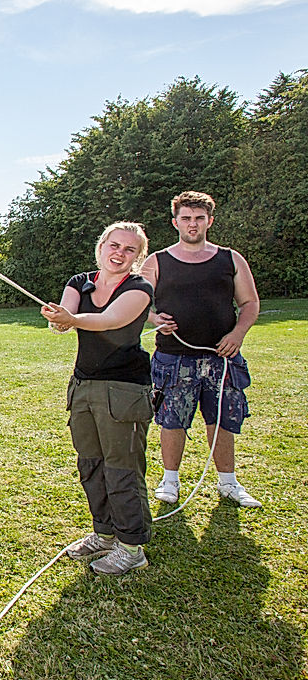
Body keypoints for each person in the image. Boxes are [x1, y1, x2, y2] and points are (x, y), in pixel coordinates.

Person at [41, 222, 154, 576]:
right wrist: (59, 321)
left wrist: (71, 319)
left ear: (138, 257)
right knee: (91, 463)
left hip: (124, 389)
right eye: (114, 245)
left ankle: (132, 546)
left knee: (122, 466)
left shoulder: (139, 288)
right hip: (83, 386)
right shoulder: (79, 282)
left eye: (129, 249)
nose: (119, 253)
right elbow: (66, 314)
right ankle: (104, 534)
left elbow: (107, 321)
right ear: (101, 246)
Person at [140, 191, 262, 509]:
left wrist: (238, 333)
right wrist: (154, 318)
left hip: (222, 357)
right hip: (174, 356)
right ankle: (170, 480)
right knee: (172, 420)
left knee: (220, 420)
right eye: (186, 218)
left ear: (209, 220)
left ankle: (228, 483)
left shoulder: (230, 259)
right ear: (175, 222)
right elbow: (135, 300)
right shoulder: (157, 261)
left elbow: (249, 303)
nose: (192, 224)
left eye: (198, 218)